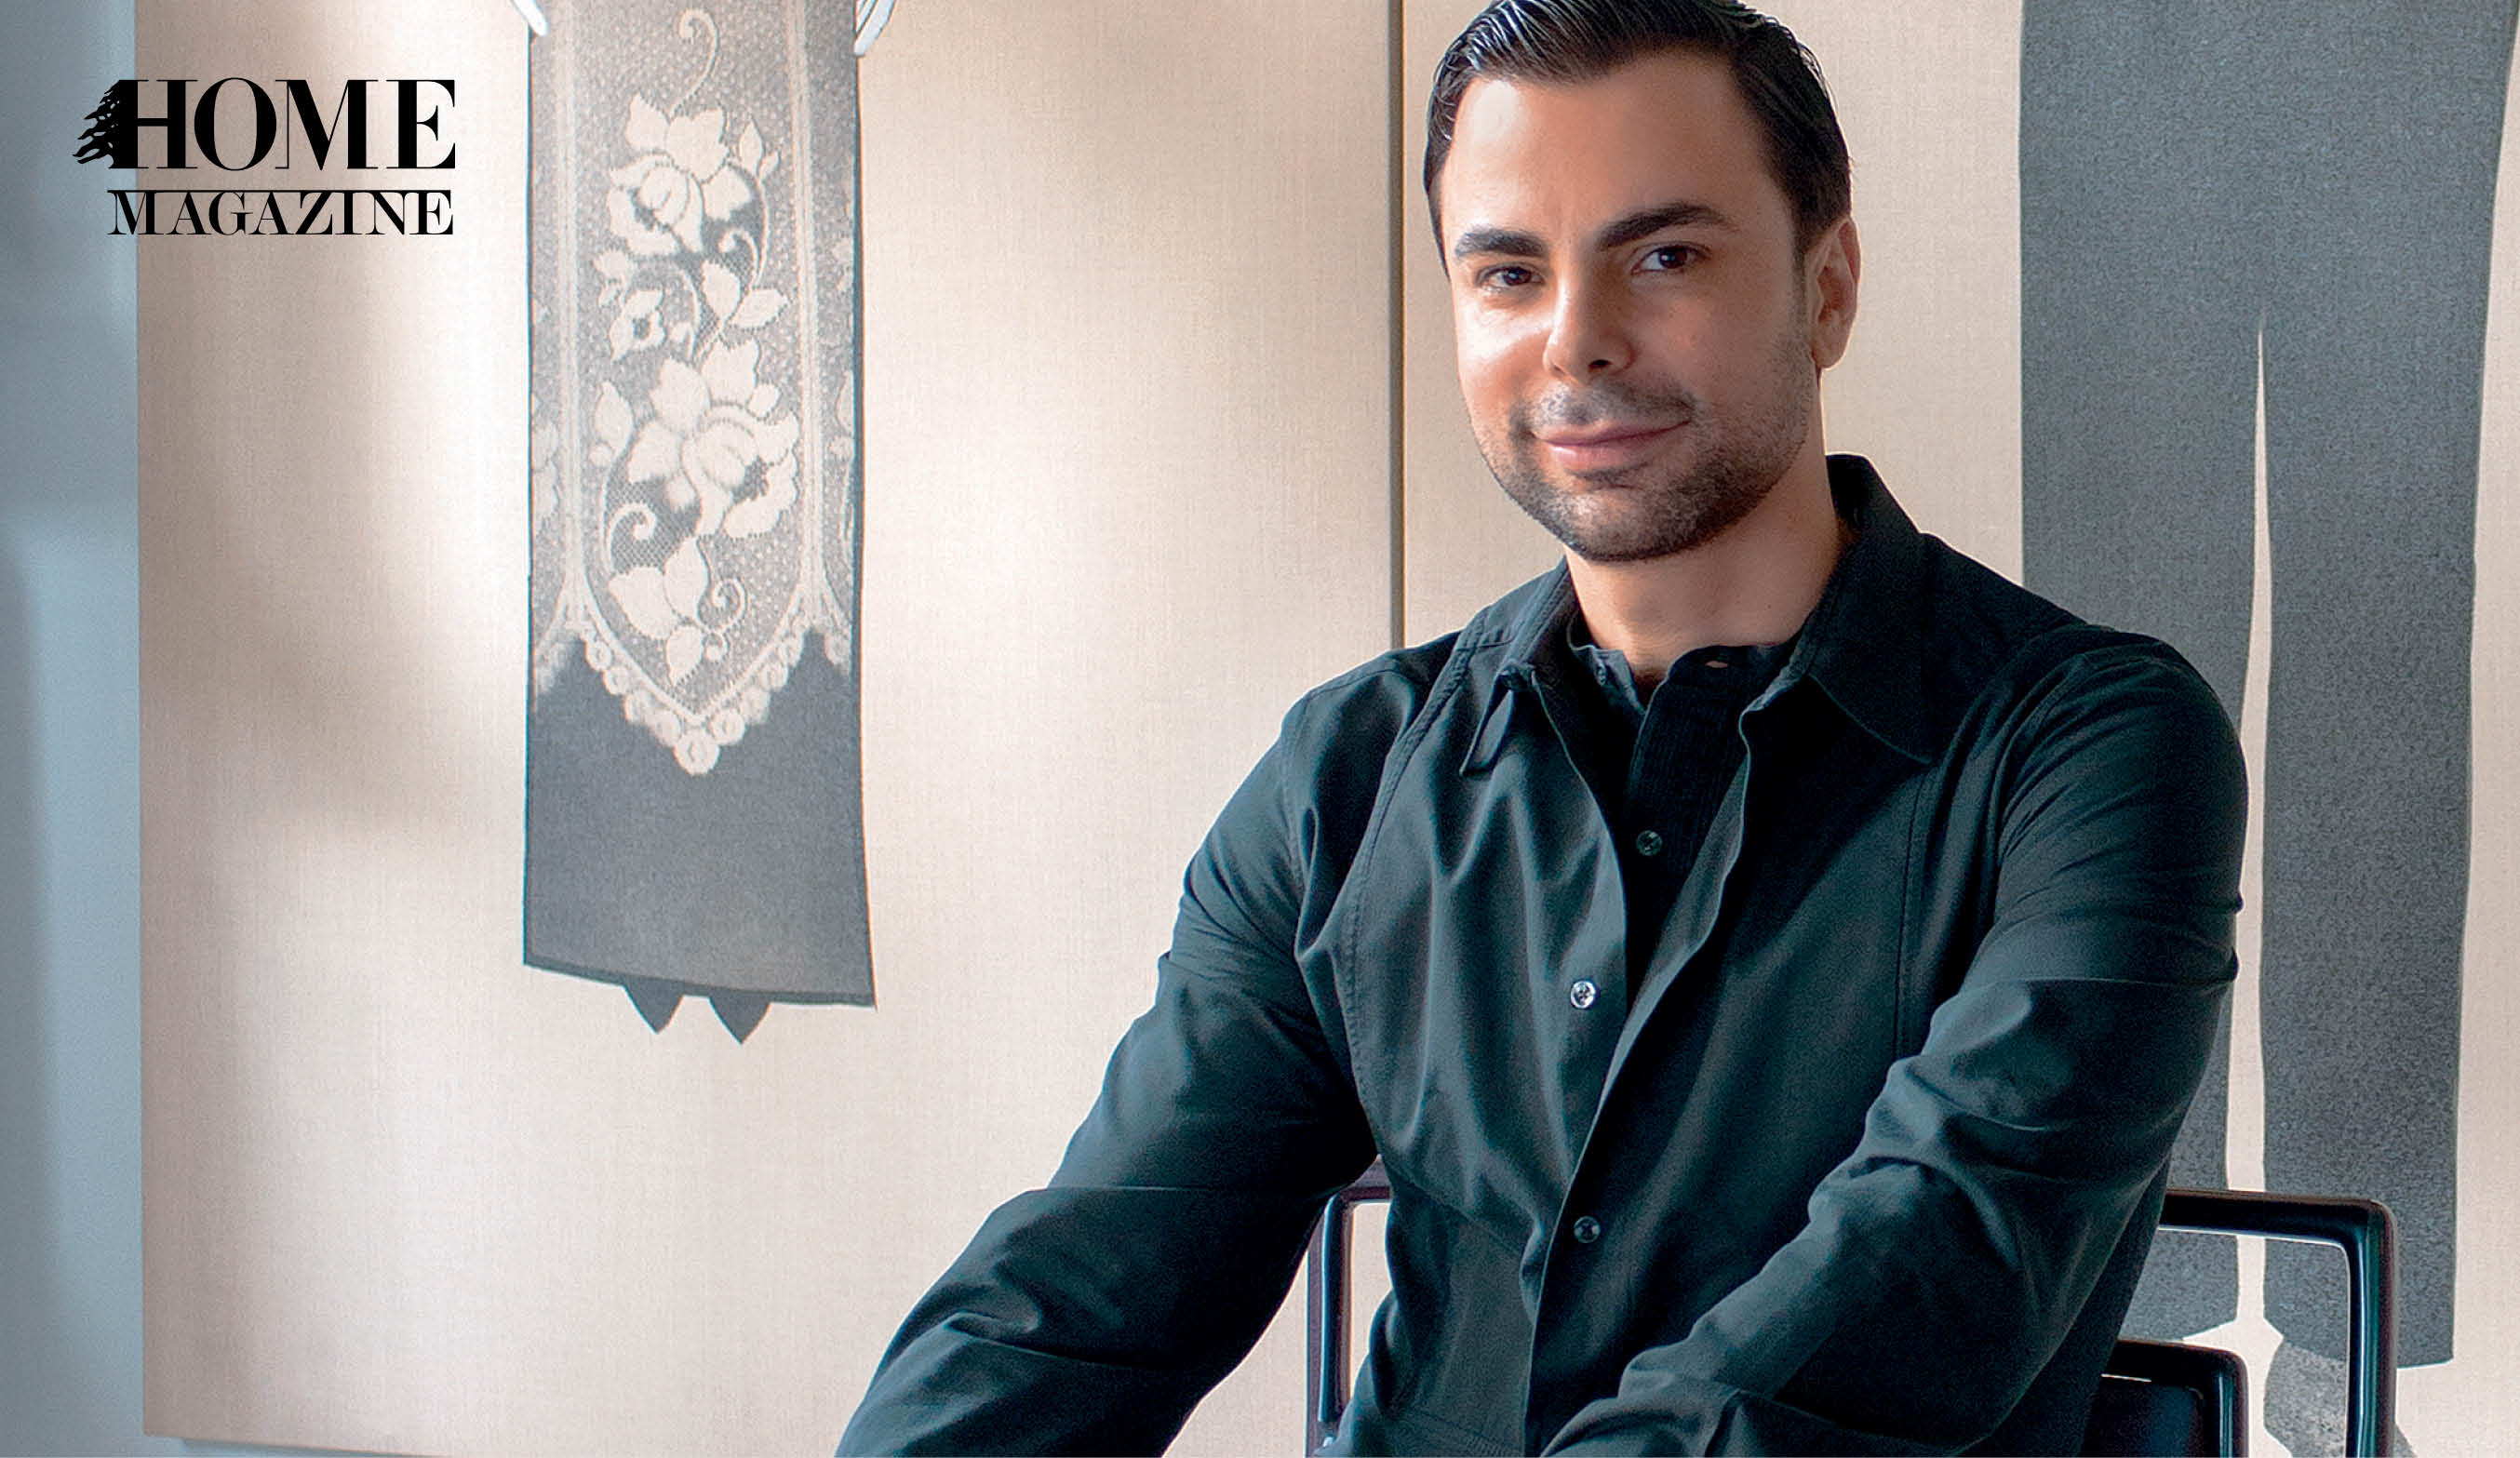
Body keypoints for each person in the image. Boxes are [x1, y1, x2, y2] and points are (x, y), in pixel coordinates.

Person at [839, 1, 2245, 1451]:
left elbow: (1904, 1292)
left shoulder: (2092, 753)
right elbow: (1080, 1299)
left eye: (1665, 256)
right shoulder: (1350, 777)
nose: (1577, 340)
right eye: (1508, 272)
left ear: (1828, 288)